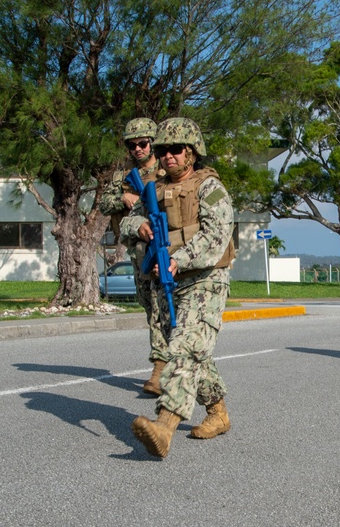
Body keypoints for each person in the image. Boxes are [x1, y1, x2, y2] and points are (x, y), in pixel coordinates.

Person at [120, 117, 236, 458]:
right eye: (163, 150)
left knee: (184, 349)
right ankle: (217, 412)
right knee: (194, 349)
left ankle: (165, 426)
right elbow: (127, 220)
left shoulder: (209, 188)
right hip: (170, 281)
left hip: (206, 279)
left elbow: (216, 236)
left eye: (176, 150)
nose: (168, 156)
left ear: (192, 152)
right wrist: (139, 224)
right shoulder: (153, 189)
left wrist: (179, 258)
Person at [98, 117, 167, 396]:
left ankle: (160, 368)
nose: (137, 149)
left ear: (152, 143)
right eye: (132, 145)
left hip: (162, 245)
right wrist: (123, 199)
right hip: (136, 250)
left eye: (142, 144)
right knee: (148, 305)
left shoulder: (165, 170)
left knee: (160, 305)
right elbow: (104, 203)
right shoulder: (122, 175)